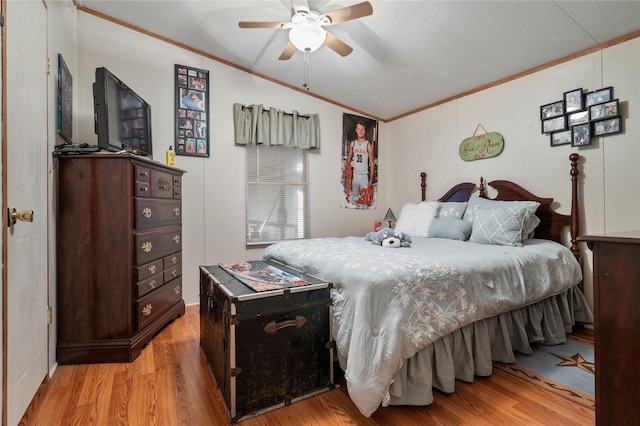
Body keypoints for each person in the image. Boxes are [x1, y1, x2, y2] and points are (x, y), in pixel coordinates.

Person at [344, 121, 375, 205]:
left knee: (365, 202)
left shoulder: (368, 145)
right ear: (356, 130)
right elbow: (348, 160)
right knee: (354, 200)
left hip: (364, 176)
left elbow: (372, 164)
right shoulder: (353, 144)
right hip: (355, 176)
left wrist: (371, 180)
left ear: (365, 131)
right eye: (358, 129)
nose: (360, 131)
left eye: (362, 129)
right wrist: (346, 174)